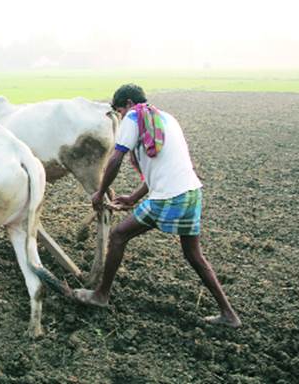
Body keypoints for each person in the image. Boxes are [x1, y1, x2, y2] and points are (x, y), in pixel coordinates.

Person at [74, 84, 241, 328]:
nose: (120, 116)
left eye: (119, 110)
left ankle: (101, 295)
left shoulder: (134, 116)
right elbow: (163, 168)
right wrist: (133, 198)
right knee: (194, 255)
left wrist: (100, 192)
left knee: (119, 236)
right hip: (191, 192)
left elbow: (116, 158)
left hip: (168, 197)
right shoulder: (166, 119)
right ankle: (229, 314)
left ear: (128, 103)